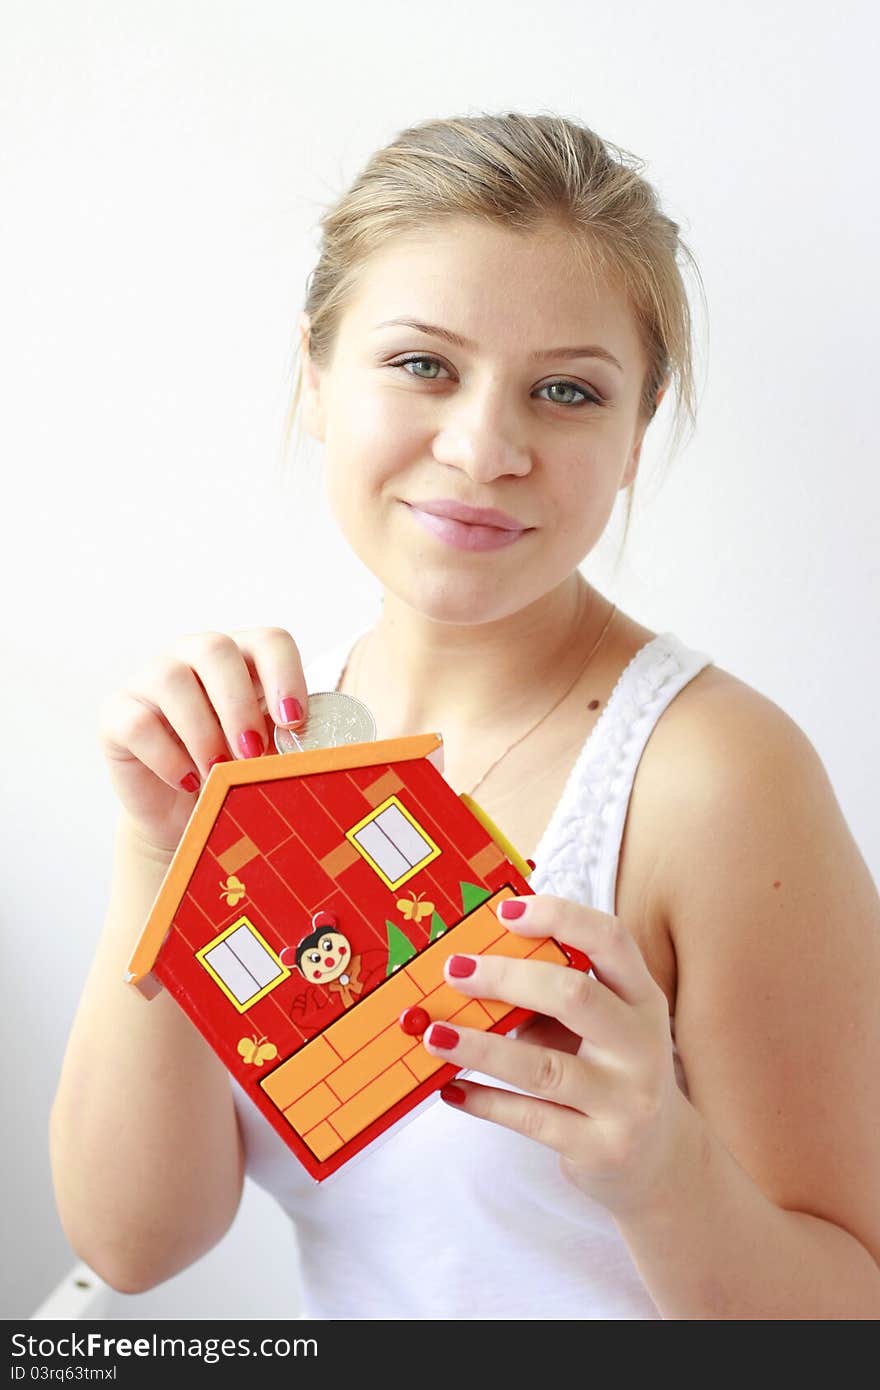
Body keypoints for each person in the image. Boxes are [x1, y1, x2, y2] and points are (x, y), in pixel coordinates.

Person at [49, 111, 880, 1320]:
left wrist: (663, 1173)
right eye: (423, 364)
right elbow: (134, 1245)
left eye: (565, 390)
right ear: (316, 376)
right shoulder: (265, 743)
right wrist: (160, 855)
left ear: (635, 434)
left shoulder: (713, 780)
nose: (485, 446)